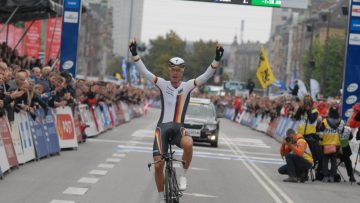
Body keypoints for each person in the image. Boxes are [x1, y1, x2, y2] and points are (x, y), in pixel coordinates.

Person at [129, 39, 224, 202]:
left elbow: (206, 75)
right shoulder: (163, 84)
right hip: (163, 130)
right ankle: (160, 197)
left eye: (179, 70)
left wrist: (216, 59)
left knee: (189, 143)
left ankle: (183, 174)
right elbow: (145, 71)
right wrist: (135, 54)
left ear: (183, 71)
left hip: (179, 129)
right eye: (173, 69)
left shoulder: (187, 86)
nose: (175, 72)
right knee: (158, 166)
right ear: (169, 70)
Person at [318, 104, 341, 182]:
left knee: (325, 160)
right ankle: (332, 176)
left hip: (326, 144)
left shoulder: (325, 121)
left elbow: (320, 131)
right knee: (333, 161)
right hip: (336, 144)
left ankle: (325, 176)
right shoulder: (340, 122)